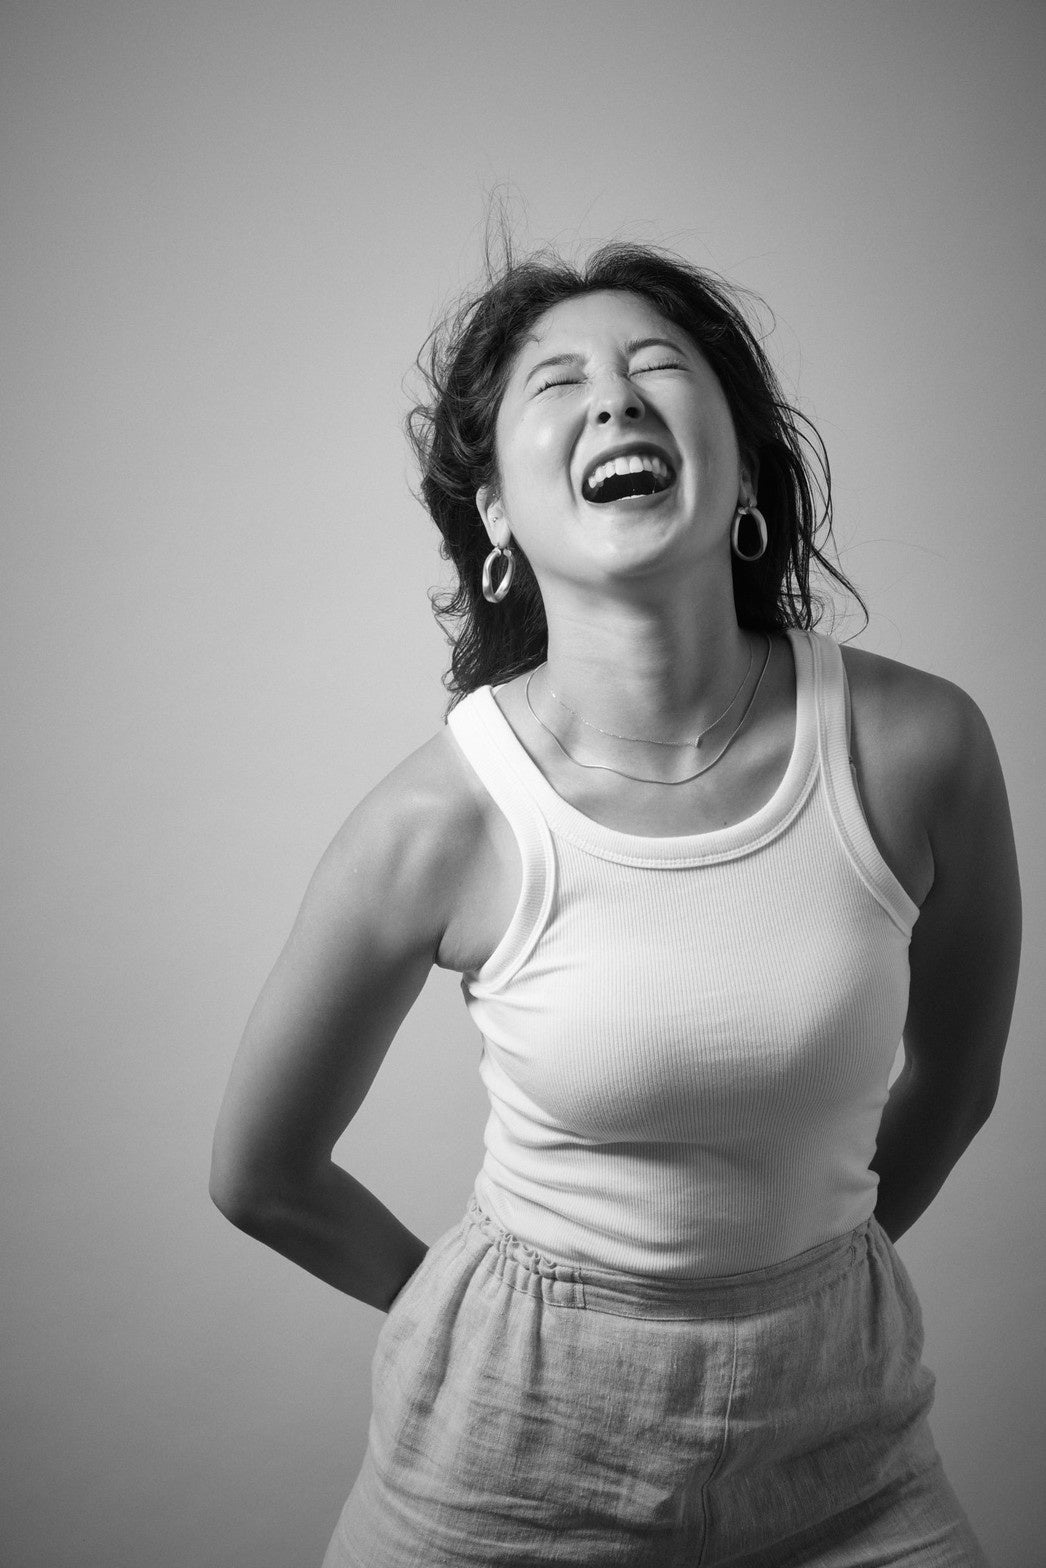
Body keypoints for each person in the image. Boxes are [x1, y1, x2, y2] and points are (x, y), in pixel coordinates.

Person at [209, 239, 1022, 1566]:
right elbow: (259, 1174)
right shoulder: (440, 818)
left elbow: (958, 1078)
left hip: (846, 1453)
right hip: (502, 1473)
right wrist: (471, 1329)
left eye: (656, 366)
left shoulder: (918, 746)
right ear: (495, 514)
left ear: (742, 469)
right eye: (559, 384)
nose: (615, 400)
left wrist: (809, 1278)